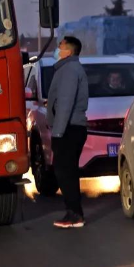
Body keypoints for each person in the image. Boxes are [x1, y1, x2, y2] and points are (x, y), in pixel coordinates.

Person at [47, 36, 89, 229]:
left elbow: (65, 103)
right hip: (69, 128)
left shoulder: (70, 70)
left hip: (69, 130)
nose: (57, 49)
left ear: (69, 52)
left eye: (61, 46)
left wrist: (58, 133)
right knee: (66, 171)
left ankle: (75, 214)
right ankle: (73, 212)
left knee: (65, 172)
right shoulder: (67, 69)